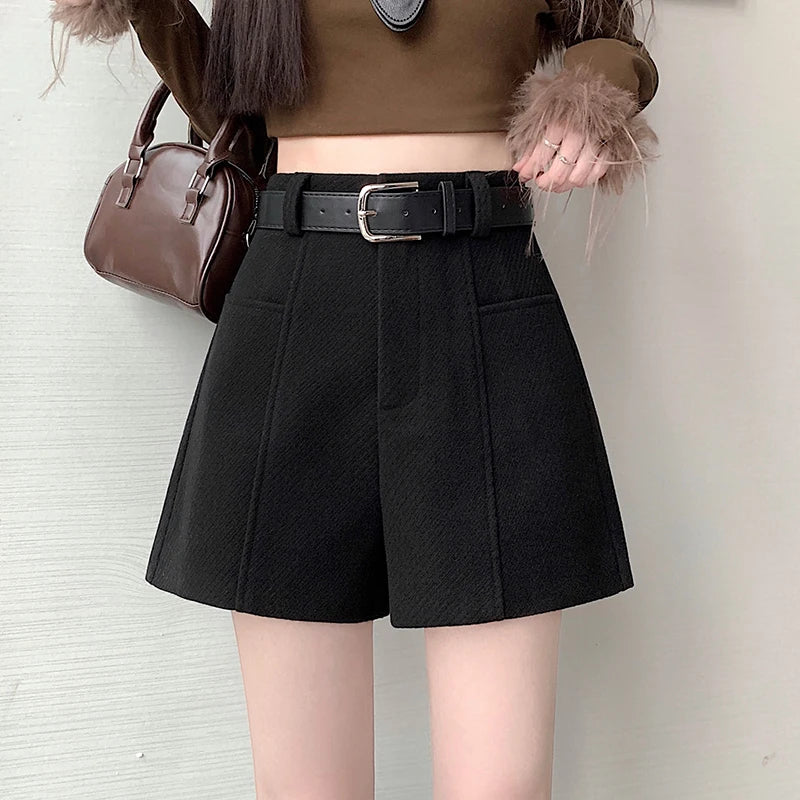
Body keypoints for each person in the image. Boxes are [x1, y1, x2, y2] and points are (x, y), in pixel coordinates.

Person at [46, 2, 659, 798]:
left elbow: (613, 41)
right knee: (305, 787)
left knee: (500, 786)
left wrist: (589, 99)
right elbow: (234, 109)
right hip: (294, 301)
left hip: (483, 293)